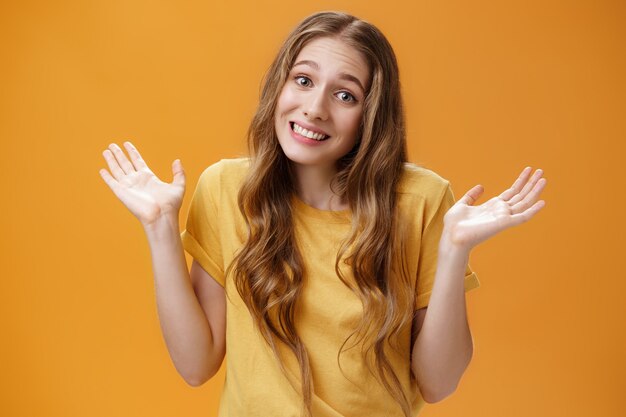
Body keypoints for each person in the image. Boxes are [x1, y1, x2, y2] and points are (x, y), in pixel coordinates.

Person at [99, 11, 546, 417]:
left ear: (371, 115)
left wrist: (453, 251)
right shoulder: (226, 189)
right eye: (304, 80)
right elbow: (196, 365)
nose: (315, 108)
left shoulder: (422, 200)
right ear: (280, 86)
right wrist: (159, 228)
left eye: (346, 95)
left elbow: (439, 382)